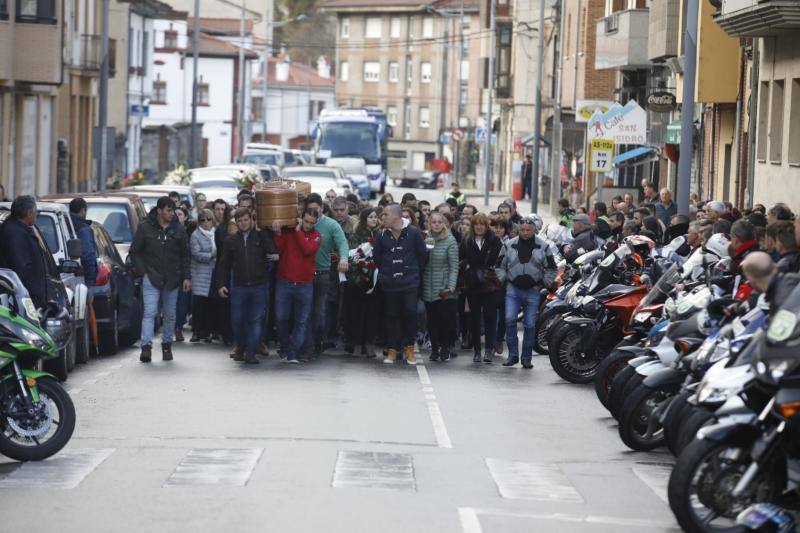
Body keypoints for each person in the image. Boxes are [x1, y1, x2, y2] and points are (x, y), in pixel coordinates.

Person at [130, 197, 191, 363]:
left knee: (170, 315)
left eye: (173, 210)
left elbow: (185, 255)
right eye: (168, 210)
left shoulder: (178, 230)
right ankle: (146, 347)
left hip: (173, 278)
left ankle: (166, 345)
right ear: (159, 211)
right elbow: (134, 252)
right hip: (152, 276)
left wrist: (186, 277)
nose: (172, 214)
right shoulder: (145, 228)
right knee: (150, 312)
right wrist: (144, 272)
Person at [216, 208, 276, 364]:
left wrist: (265, 235)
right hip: (239, 286)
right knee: (237, 320)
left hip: (259, 285)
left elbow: (272, 252)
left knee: (256, 320)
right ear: (236, 222)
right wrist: (221, 284)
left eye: (245, 220)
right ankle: (241, 346)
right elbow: (223, 264)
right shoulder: (231, 240)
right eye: (240, 220)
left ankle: (251, 352)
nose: (243, 223)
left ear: (251, 220)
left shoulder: (261, 236)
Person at [497, 216, 558, 369]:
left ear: (534, 230)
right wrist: (504, 281)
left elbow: (551, 267)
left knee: (530, 325)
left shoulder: (543, 246)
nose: (524, 233)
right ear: (519, 229)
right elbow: (499, 265)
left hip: (533, 290)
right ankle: (512, 355)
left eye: (528, 230)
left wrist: (544, 283)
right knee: (510, 320)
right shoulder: (508, 245)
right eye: (522, 230)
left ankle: (526, 358)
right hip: (513, 288)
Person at [373, 203, 428, 365]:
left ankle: (409, 348)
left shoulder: (414, 233)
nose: (382, 217)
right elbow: (377, 258)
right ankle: (392, 350)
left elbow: (422, 256)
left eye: (385, 214)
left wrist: (412, 272)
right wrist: (386, 273)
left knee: (410, 313)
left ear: (396, 216)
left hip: (410, 282)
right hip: (390, 283)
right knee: (392, 316)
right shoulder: (382, 235)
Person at [272, 209, 323, 364]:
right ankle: (287, 348)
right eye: (306, 221)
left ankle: (292, 352)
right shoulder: (289, 232)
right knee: (281, 318)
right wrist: (278, 234)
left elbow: (307, 250)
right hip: (284, 281)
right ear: (301, 218)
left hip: (304, 284)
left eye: (312, 223)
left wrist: (298, 231)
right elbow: (278, 249)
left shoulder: (317, 237)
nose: (308, 225)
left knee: (301, 321)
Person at [302, 193, 349, 360]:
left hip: (322, 275)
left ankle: (316, 343)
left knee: (318, 313)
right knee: (304, 312)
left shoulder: (331, 225)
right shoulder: (302, 224)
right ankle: (307, 346)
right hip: (303, 275)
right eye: (310, 210)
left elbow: (342, 243)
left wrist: (343, 258)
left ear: (322, 208)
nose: (313, 213)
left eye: (316, 209)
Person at [459, 212, 503, 363]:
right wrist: (468, 268)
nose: (479, 227)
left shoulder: (495, 241)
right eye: (476, 224)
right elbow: (462, 259)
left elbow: (498, 261)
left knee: (490, 318)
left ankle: (489, 350)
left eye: (482, 224)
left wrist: (482, 266)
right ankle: (477, 350)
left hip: (489, 285)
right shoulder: (467, 240)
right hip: (472, 285)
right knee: (474, 318)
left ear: (486, 226)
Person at [423, 211, 459, 362]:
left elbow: (454, 265)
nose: (436, 225)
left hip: (443, 287)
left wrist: (451, 284)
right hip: (427, 285)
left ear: (444, 223)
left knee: (444, 320)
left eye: (439, 222)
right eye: (434, 222)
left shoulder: (450, 240)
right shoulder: (426, 239)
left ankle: (445, 348)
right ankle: (435, 349)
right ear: (429, 224)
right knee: (431, 320)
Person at [345, 208, 381, 357]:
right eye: (371, 217)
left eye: (375, 217)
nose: (374, 219)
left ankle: (370, 343)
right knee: (357, 313)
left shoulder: (380, 235)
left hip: (375, 280)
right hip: (358, 280)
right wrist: (361, 267)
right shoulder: (356, 236)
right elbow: (350, 256)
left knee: (372, 314)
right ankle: (358, 343)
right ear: (364, 219)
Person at [0, 196, 48, 308]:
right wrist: (33, 293)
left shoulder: (20, 229)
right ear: (29, 213)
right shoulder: (15, 233)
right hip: (23, 299)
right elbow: (21, 268)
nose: (37, 215)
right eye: (36, 212)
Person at [189, 209, 216, 343]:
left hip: (212, 274)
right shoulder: (195, 235)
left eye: (208, 219)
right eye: (202, 220)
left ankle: (207, 332)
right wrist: (211, 256)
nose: (206, 223)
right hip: (200, 275)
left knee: (209, 306)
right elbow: (196, 254)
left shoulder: (215, 234)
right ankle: (196, 332)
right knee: (198, 305)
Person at [68, 198, 99, 294]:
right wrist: (91, 277)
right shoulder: (83, 228)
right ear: (82, 210)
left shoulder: (65, 222)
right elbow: (88, 254)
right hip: (82, 276)